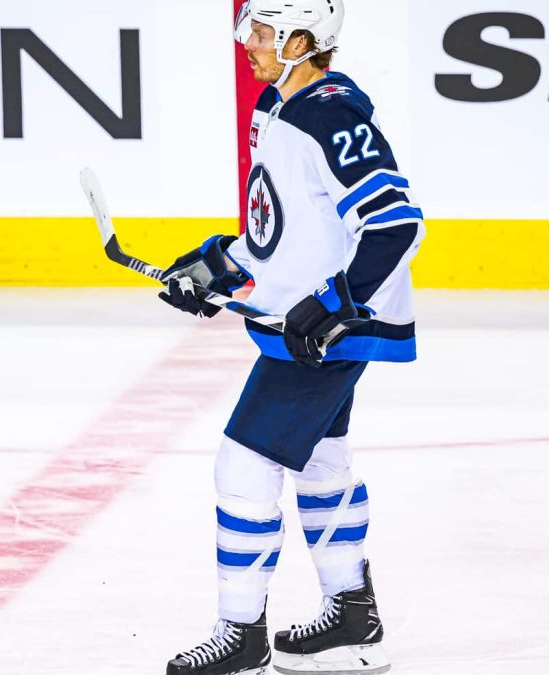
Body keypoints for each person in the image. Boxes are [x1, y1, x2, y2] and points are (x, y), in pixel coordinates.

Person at [158, 1, 425, 674]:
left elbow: (395, 225)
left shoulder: (331, 115)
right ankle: (352, 618)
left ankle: (241, 634)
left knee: (242, 465)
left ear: (301, 41)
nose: (248, 42)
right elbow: (279, 228)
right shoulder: (276, 107)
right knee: (320, 460)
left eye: (263, 32)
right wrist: (217, 265)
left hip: (328, 332)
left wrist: (336, 304)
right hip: (308, 324)